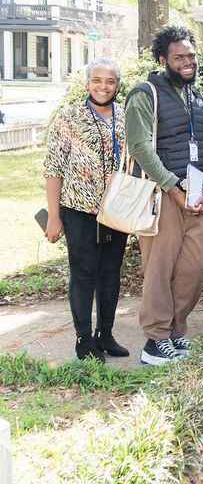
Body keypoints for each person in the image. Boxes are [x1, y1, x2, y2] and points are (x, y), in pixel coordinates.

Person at [126, 26, 203, 366]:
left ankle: (176, 332)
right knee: (160, 268)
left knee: (194, 267)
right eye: (179, 57)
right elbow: (140, 147)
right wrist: (172, 188)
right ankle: (155, 340)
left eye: (191, 56)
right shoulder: (145, 93)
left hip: (197, 196)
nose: (187, 62)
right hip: (162, 194)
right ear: (163, 59)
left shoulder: (197, 98)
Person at [44, 58, 129, 361]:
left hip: (116, 211)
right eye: (97, 80)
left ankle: (105, 334)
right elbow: (53, 167)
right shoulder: (69, 116)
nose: (103, 86)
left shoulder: (125, 116)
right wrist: (54, 216)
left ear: (117, 85)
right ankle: (83, 340)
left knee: (110, 273)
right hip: (78, 209)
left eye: (109, 81)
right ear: (87, 83)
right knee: (84, 273)